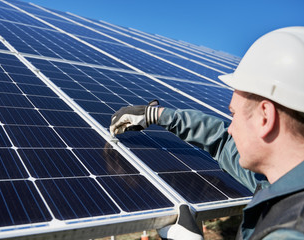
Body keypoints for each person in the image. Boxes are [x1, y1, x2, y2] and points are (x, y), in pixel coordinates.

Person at [109, 26, 304, 239]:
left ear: (265, 117)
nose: (231, 127)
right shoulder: (279, 181)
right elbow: (222, 143)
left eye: (234, 114)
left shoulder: (289, 231)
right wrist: (157, 115)